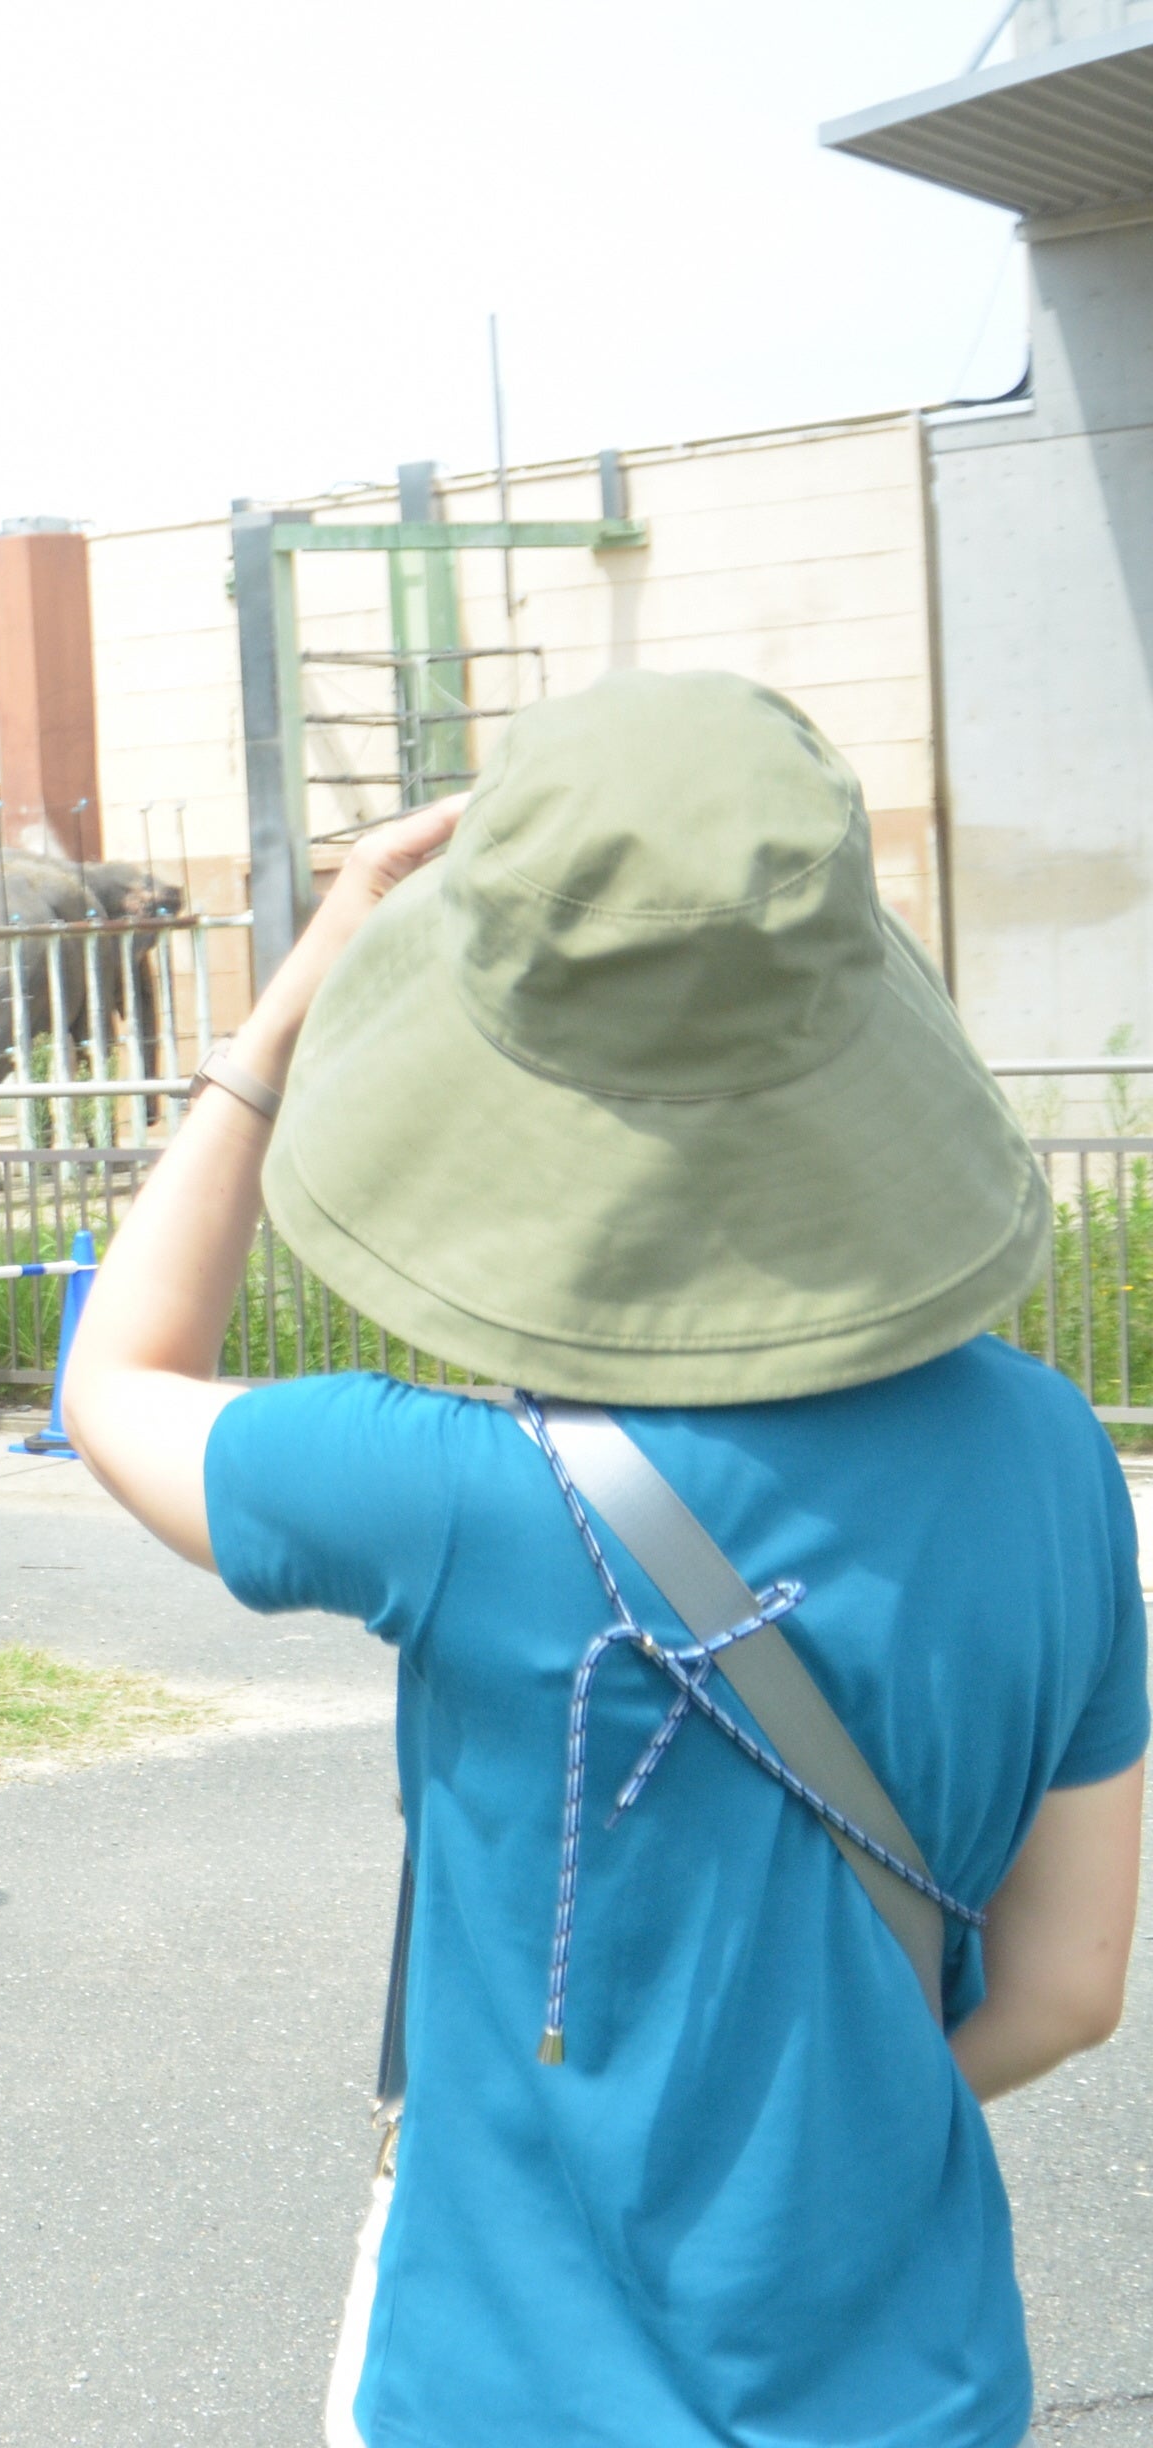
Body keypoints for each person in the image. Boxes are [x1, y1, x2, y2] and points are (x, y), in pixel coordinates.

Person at [61, 670, 1145, 2448]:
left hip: (498, 2394)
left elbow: (118, 1381)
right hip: (922, 2391)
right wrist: (813, 2143)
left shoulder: (452, 1493)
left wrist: (286, 1008)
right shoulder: (1051, 1457)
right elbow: (1065, 1988)